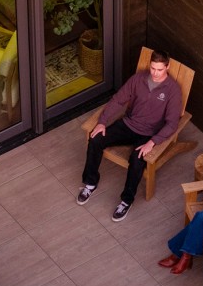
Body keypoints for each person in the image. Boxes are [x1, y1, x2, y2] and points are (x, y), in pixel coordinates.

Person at [77, 50, 183, 222]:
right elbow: (118, 100)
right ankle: (90, 183)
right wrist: (102, 121)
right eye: (153, 68)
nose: (155, 73)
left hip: (149, 134)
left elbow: (172, 123)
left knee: (137, 159)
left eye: (160, 70)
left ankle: (126, 201)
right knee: (96, 138)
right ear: (150, 65)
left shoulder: (173, 90)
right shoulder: (138, 79)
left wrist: (153, 142)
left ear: (167, 67)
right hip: (128, 125)